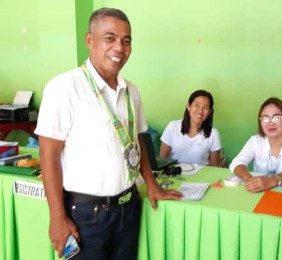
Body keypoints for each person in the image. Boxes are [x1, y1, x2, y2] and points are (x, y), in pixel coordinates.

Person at [35, 8, 181, 259]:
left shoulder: (131, 91)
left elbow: (139, 139)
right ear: (90, 40)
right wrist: (57, 218)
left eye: (126, 41)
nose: (119, 48)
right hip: (85, 215)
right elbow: (48, 157)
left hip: (127, 208)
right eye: (110, 38)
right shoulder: (64, 88)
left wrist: (152, 182)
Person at [229, 97, 282, 192]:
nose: (271, 123)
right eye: (265, 118)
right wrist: (250, 180)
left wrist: (271, 181)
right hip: (258, 195)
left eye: (276, 117)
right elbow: (237, 163)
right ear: (260, 123)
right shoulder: (255, 141)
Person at [159, 90, 222, 166]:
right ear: (188, 106)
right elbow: (162, 158)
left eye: (205, 108)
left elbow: (214, 166)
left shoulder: (213, 134)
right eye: (197, 105)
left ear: (209, 112)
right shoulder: (172, 127)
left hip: (201, 176)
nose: (200, 111)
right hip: (175, 175)